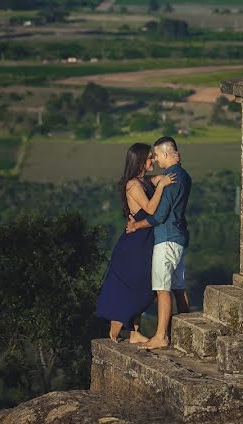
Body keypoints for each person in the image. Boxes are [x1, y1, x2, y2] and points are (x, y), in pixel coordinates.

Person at [95, 143, 178, 343]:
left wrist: (171, 166)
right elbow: (150, 208)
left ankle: (134, 333)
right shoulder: (133, 185)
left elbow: (165, 176)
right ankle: (117, 324)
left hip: (146, 240)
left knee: (149, 284)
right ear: (140, 160)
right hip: (135, 244)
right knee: (142, 283)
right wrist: (162, 186)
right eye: (150, 158)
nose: (153, 161)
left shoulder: (146, 181)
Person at [126, 136, 191, 350]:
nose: (155, 160)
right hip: (179, 237)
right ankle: (187, 331)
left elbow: (159, 216)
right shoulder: (184, 175)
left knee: (163, 289)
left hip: (166, 238)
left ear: (164, 154)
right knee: (179, 288)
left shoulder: (171, 177)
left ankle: (161, 336)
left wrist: (136, 226)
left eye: (156, 156)